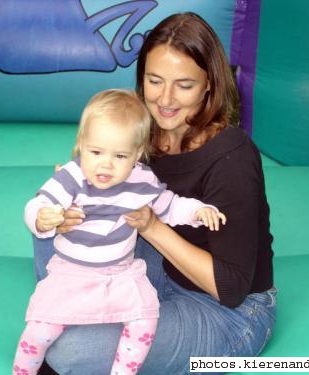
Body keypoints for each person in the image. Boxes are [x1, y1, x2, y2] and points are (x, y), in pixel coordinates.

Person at [35, 12, 276, 375]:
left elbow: (230, 289)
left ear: (209, 84)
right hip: (158, 271)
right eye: (154, 80)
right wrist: (69, 208)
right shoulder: (143, 133)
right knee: (46, 221)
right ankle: (82, 306)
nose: (165, 99)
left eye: (184, 85)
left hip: (227, 310)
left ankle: (84, 322)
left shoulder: (232, 158)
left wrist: (150, 227)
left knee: (69, 351)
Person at [14, 89, 226, 375]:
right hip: (71, 272)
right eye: (96, 152)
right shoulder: (73, 176)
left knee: (144, 320)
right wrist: (42, 217)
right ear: (81, 145)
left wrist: (198, 211)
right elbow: (37, 203)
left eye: (120, 156)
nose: (106, 164)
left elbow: (169, 205)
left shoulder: (142, 181)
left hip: (119, 274)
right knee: (41, 329)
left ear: (137, 155)